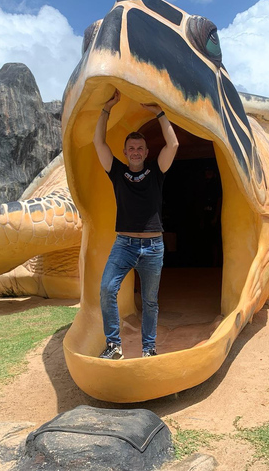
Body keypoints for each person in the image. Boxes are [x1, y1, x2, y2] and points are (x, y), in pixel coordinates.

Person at [93, 89, 179, 359]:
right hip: (124, 244)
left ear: (146, 151)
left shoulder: (156, 172)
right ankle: (114, 346)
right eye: (131, 148)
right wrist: (107, 108)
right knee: (107, 289)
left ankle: (149, 349)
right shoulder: (117, 172)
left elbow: (173, 145)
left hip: (154, 246)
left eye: (140, 148)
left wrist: (159, 114)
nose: (135, 152)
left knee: (150, 302)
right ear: (125, 152)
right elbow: (98, 142)